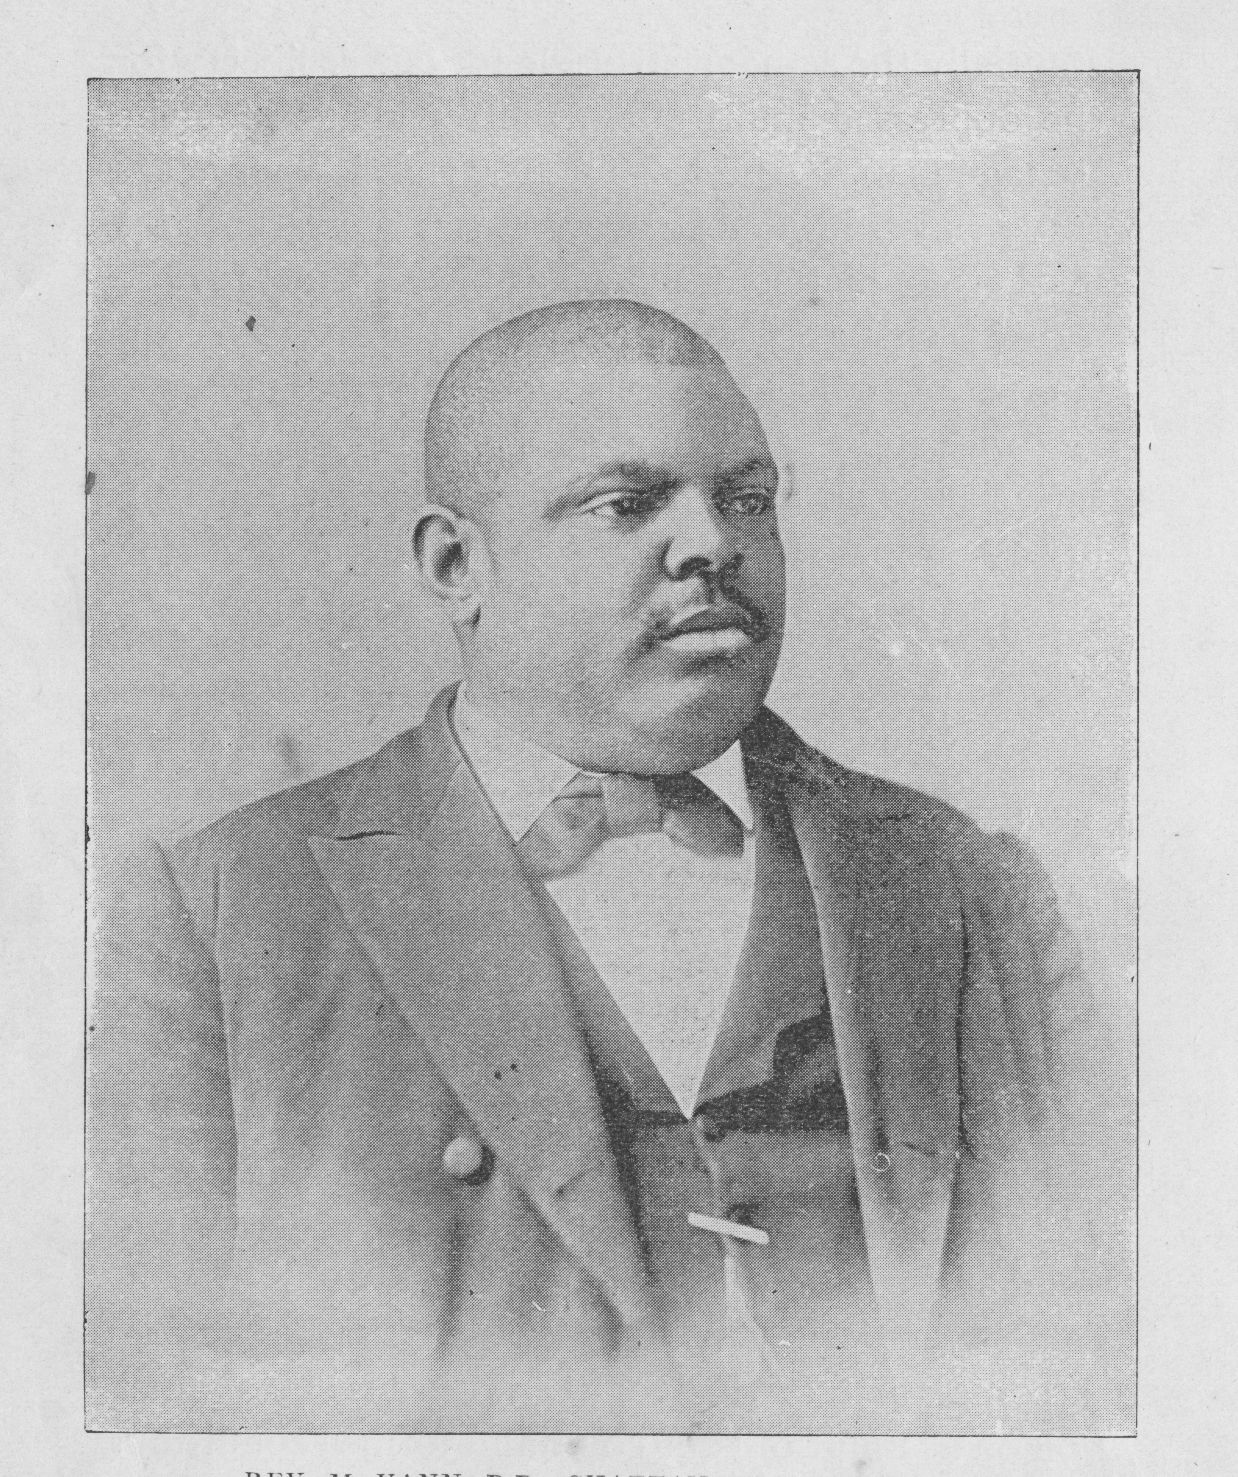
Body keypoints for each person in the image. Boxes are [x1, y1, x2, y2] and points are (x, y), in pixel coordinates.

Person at [88, 300, 1123, 1435]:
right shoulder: (218, 916)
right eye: (627, 504)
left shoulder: (970, 891)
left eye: (748, 498)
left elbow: (1098, 1352)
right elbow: (147, 1395)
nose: (712, 543)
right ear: (455, 564)